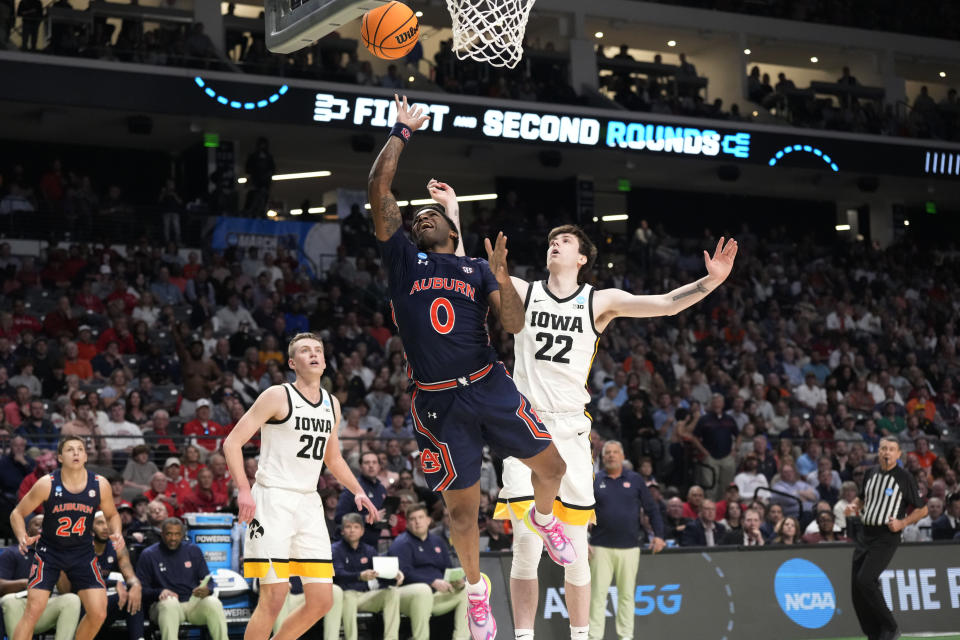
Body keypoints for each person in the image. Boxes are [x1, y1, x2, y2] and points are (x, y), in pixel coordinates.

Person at [423, 188, 732, 640]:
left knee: (577, 549)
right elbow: (473, 268)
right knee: (526, 546)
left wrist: (712, 282)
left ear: (582, 258)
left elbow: (665, 303)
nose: (555, 244)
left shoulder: (598, 300)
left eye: (564, 241)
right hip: (523, 420)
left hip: (570, 426)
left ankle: (582, 636)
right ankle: (524, 636)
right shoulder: (524, 292)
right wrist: (453, 213)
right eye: (551, 240)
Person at [368, 94, 576, 638]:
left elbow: (512, 325)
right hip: (437, 399)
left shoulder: (477, 266)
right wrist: (401, 132)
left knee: (553, 471)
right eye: (418, 218)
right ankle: (478, 592)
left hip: (488, 383)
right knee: (463, 514)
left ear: (451, 229)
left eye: (433, 213)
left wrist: (503, 277)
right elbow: (379, 191)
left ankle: (546, 517)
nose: (423, 215)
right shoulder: (403, 261)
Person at [222, 332, 378, 640]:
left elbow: (332, 458)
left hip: (308, 503)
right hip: (273, 499)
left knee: (322, 600)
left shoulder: (332, 404)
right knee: (275, 596)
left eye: (318, 349)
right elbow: (232, 442)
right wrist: (243, 488)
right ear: (293, 363)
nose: (314, 354)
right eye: (306, 350)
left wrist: (358, 490)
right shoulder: (277, 396)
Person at [9, 435, 125, 640]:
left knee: (99, 612)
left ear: (86, 456)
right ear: (60, 457)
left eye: (80, 449)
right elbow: (17, 513)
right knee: (33, 611)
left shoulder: (100, 484)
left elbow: (112, 514)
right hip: (50, 553)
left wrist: (116, 531)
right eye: (70, 449)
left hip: (82, 553)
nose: (76, 453)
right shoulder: (47, 483)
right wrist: (22, 536)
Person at [845, 437, 927, 640]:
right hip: (865, 533)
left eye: (891, 449)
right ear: (878, 452)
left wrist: (902, 523)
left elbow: (922, 509)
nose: (886, 452)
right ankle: (874, 633)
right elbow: (862, 498)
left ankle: (891, 628)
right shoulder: (870, 473)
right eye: (883, 449)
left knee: (866, 580)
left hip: (886, 536)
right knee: (856, 588)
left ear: (898, 454)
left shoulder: (904, 477)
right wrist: (854, 506)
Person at [587, 441, 664, 640]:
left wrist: (659, 535)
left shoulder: (635, 479)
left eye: (615, 452)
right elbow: (581, 512)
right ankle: (594, 637)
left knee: (627, 596)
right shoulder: (594, 480)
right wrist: (582, 540)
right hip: (599, 546)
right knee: (597, 597)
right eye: (607, 453)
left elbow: (652, 509)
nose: (611, 456)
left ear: (622, 456)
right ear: (602, 458)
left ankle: (626, 636)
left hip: (630, 547)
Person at [134, 517, 228, 640]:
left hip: (192, 604)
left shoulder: (193, 550)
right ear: (161, 534)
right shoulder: (149, 554)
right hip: (162, 605)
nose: (173, 538)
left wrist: (208, 589)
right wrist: (159, 592)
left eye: (177, 534)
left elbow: (208, 580)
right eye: (169, 534)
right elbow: (140, 590)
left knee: (214, 603)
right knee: (169, 603)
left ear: (183, 535)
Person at [388, 503, 466, 640]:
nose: (417, 522)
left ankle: (461, 637)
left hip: (435, 595)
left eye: (420, 517)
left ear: (428, 521)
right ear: (407, 523)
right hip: (406, 595)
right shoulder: (401, 543)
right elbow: (403, 573)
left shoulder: (438, 542)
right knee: (423, 589)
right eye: (412, 519)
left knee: (466, 590)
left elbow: (446, 568)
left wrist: (456, 581)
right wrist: (431, 582)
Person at [0, 513, 82, 640]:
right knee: (8, 600)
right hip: (22, 606)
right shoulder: (12, 553)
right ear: (28, 532)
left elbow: (66, 591)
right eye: (37, 525)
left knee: (72, 599)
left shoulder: (62, 555)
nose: (42, 528)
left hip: (47, 608)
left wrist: (56, 560)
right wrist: (26, 583)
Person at [328, 513, 403, 640]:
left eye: (356, 527)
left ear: (362, 531)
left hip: (366, 596)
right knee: (349, 596)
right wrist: (359, 576)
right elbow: (337, 573)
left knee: (393, 592)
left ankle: (391, 638)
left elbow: (380, 571)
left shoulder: (369, 550)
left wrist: (394, 573)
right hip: (345, 595)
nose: (352, 530)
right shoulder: (335, 549)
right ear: (342, 531)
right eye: (348, 527)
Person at [89, 511, 144, 640]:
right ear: (90, 527)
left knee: (134, 594)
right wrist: (114, 583)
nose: (105, 527)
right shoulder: (83, 547)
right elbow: (84, 581)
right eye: (100, 523)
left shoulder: (117, 546)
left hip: (111, 599)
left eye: (108, 523)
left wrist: (135, 585)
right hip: (87, 601)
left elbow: (129, 574)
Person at [334, 451, 387, 548]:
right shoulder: (353, 487)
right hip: (351, 545)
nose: (371, 466)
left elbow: (379, 516)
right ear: (360, 466)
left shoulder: (381, 489)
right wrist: (365, 519)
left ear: (379, 466)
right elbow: (339, 517)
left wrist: (388, 521)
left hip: (373, 544)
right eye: (367, 463)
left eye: (374, 462)